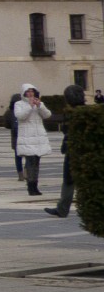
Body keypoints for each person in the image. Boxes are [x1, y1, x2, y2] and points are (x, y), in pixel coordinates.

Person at [49, 81, 86, 217]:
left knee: (69, 179)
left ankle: (63, 209)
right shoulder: (87, 111)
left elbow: (67, 131)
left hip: (74, 150)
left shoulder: (72, 113)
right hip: (82, 149)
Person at [14, 84, 55, 198]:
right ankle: (31, 186)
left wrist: (40, 106)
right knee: (30, 162)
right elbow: (20, 116)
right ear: (24, 93)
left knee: (36, 163)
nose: (30, 93)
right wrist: (30, 106)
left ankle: (35, 186)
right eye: (28, 91)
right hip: (27, 138)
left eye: (32, 91)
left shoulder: (38, 103)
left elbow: (47, 115)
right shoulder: (19, 104)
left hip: (38, 138)